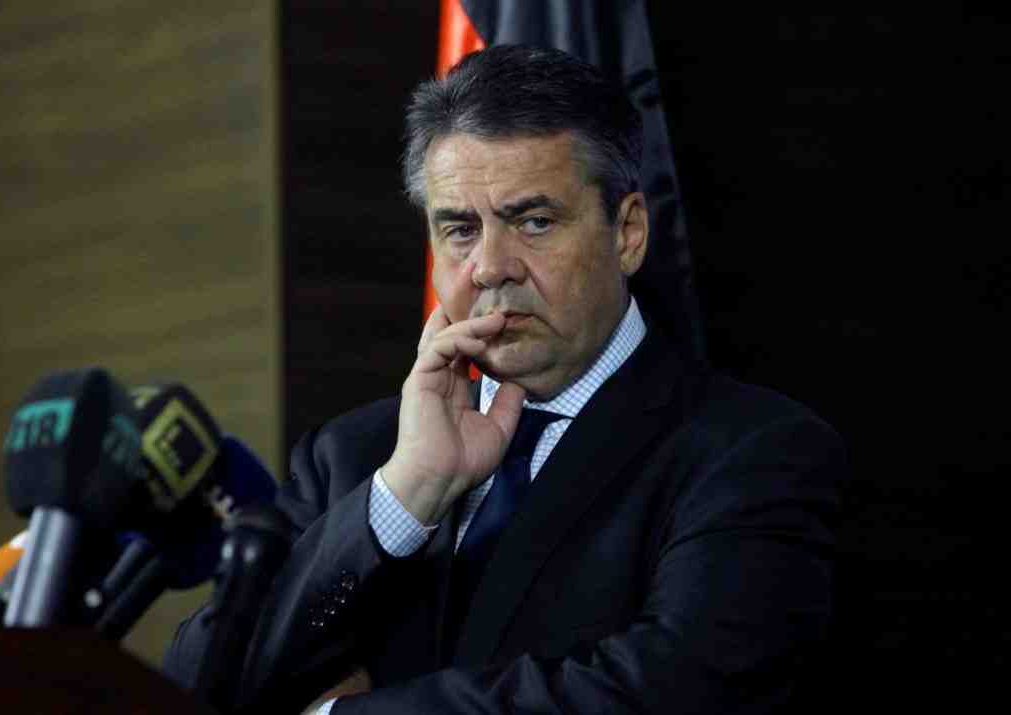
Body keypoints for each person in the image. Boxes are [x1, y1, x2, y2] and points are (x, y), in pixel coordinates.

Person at [164, 45, 846, 714]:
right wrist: (407, 496)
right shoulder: (351, 457)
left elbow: (673, 690)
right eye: (460, 229)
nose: (491, 266)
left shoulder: (752, 452)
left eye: (535, 222)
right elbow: (196, 685)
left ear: (628, 232)